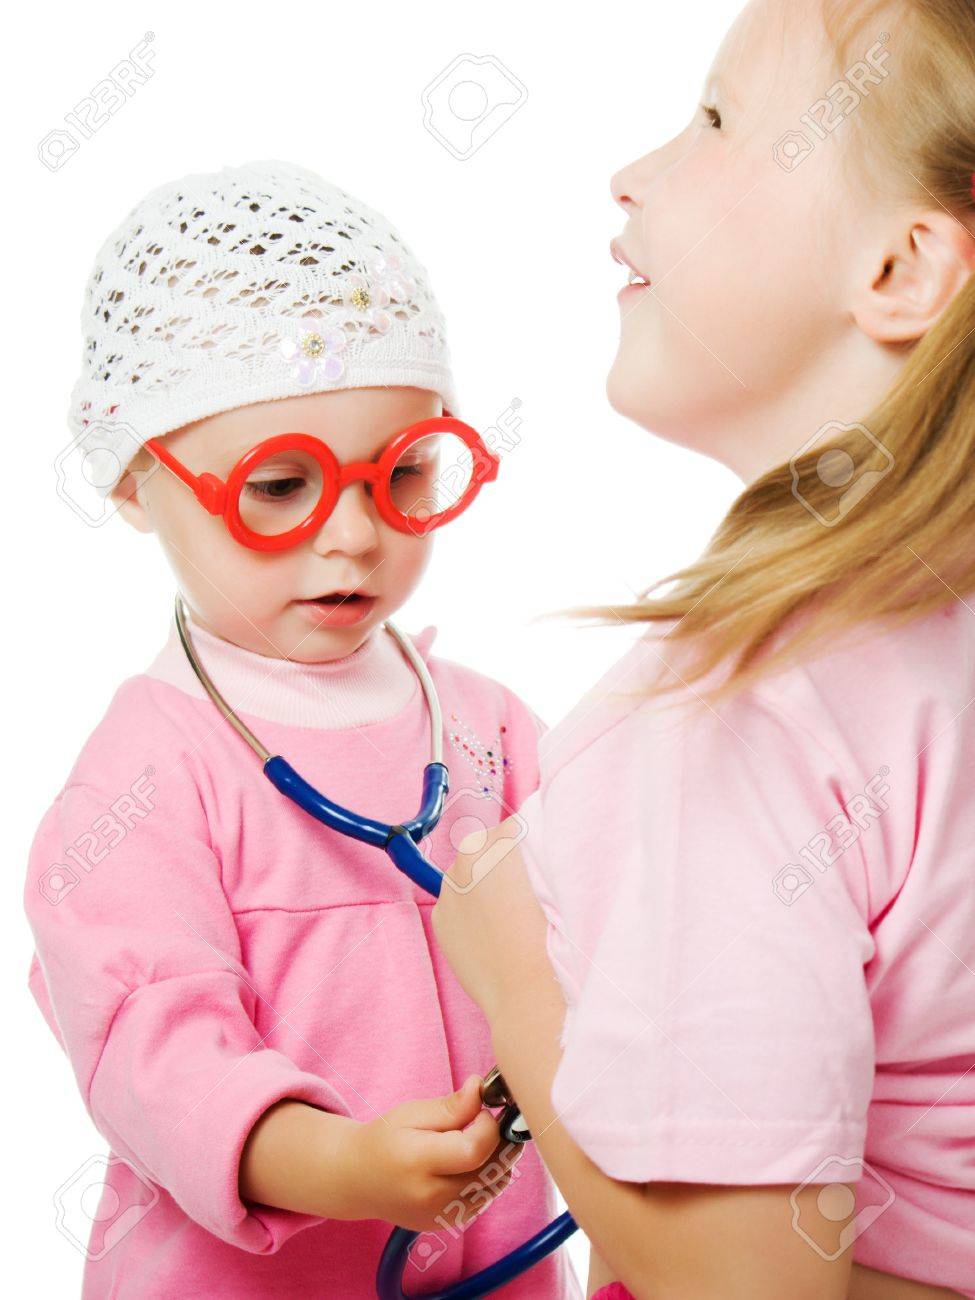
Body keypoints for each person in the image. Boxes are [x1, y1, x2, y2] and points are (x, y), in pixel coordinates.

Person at [432, 1, 975, 1296]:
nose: (630, 173)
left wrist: (509, 963)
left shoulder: (732, 717)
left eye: (715, 117)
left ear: (896, 272)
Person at [25, 160, 577, 1298]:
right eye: (283, 486)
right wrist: (336, 1161)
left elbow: (617, 931)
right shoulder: (147, 776)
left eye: (402, 474)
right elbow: (150, 1044)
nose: (357, 535)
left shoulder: (487, 730)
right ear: (133, 479)